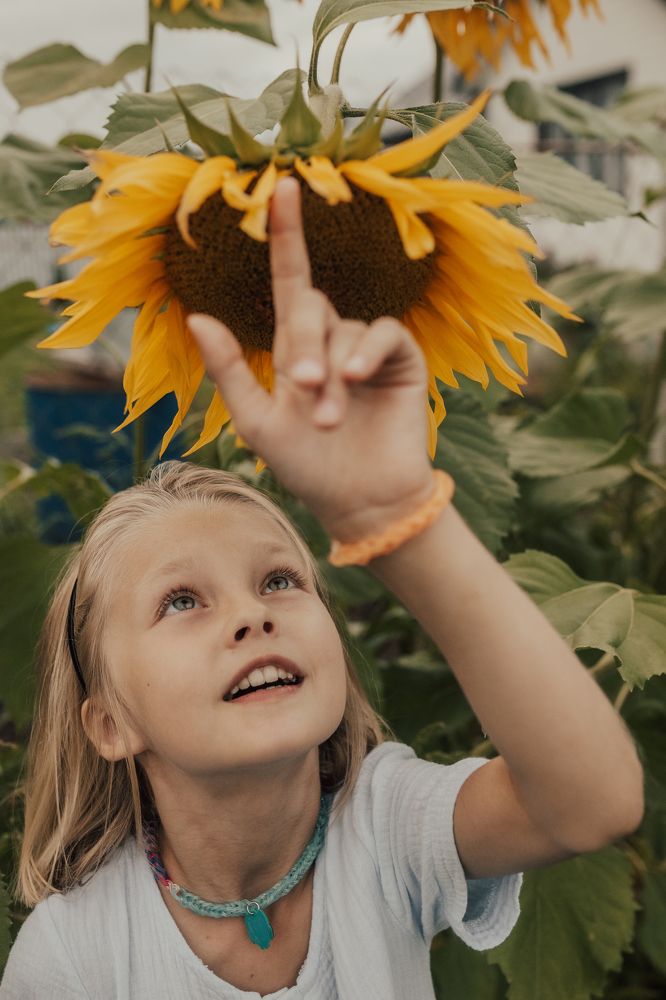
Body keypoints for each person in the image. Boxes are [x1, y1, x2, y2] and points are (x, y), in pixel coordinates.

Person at [0, 177, 644, 1000]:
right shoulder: (74, 956)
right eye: (181, 601)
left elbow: (591, 803)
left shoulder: (385, 829)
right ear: (110, 721)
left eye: (279, 578)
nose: (252, 614)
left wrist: (403, 518)